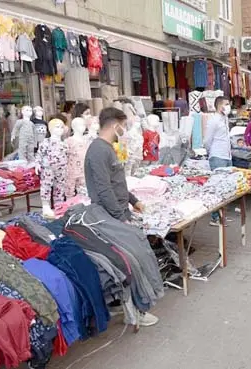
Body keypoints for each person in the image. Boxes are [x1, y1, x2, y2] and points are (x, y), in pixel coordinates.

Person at [84, 107, 158, 326]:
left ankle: (130, 308)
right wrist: (119, 217)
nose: (124, 130)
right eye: (123, 126)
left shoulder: (108, 148)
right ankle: (135, 312)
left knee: (126, 261)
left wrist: (135, 202)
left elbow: (118, 183)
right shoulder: (98, 150)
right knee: (129, 262)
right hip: (108, 215)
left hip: (118, 212)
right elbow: (104, 188)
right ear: (114, 124)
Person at [204, 96, 233, 227]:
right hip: (217, 156)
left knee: (225, 187)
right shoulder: (213, 120)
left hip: (227, 156)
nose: (228, 106)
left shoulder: (225, 118)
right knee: (217, 188)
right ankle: (215, 217)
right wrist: (211, 153)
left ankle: (222, 215)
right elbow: (207, 140)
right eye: (226, 104)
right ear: (220, 105)